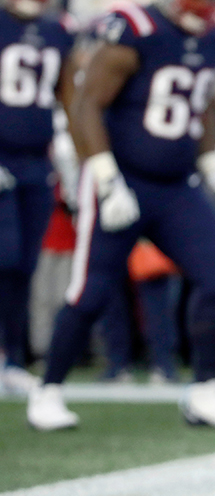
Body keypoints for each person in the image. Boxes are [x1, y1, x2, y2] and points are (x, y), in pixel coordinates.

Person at [26, 0, 215, 430]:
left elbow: (199, 105)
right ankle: (48, 390)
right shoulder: (136, 26)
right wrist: (106, 179)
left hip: (176, 187)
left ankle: (205, 389)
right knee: (91, 290)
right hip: (122, 180)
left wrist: (212, 172)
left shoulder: (213, 34)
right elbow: (86, 104)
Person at [0, 0, 76, 395]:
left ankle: (13, 358)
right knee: (5, 256)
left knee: (24, 266)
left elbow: (68, 94)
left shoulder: (57, 30)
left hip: (37, 161)